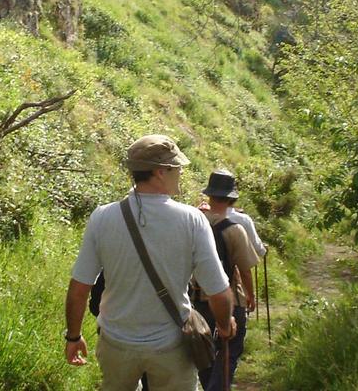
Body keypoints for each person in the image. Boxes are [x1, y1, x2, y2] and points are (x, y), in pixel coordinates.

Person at [65, 134, 237, 391]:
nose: (180, 172)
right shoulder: (192, 220)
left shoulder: (102, 217)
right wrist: (224, 325)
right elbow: (218, 293)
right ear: (159, 172)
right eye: (176, 167)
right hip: (171, 346)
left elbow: (80, 287)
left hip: (116, 342)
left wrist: (73, 336)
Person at [193, 169, 259, 391]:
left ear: (209, 196)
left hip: (197, 300)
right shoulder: (234, 229)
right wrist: (250, 295)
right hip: (230, 298)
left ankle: (210, 384)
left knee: (203, 351)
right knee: (230, 350)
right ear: (232, 198)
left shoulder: (192, 223)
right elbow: (245, 269)